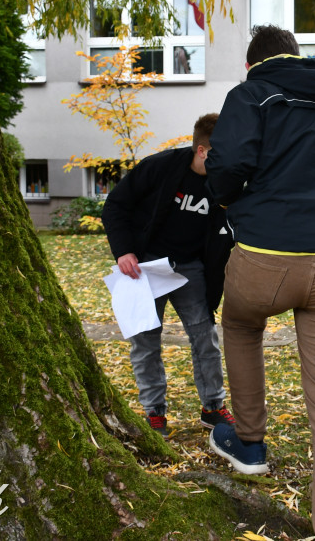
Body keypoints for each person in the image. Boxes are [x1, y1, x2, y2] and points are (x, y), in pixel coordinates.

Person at [205, 25, 315, 541]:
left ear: (250, 64)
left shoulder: (250, 95)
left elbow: (225, 170)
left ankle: (250, 440)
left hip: (266, 258)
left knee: (239, 325)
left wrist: (244, 202)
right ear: (298, 56)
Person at [101, 113, 235, 435]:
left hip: (190, 268)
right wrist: (124, 251)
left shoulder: (223, 183)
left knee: (205, 337)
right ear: (202, 151)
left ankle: (213, 408)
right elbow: (115, 206)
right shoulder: (160, 168)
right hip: (146, 267)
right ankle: (154, 413)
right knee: (145, 342)